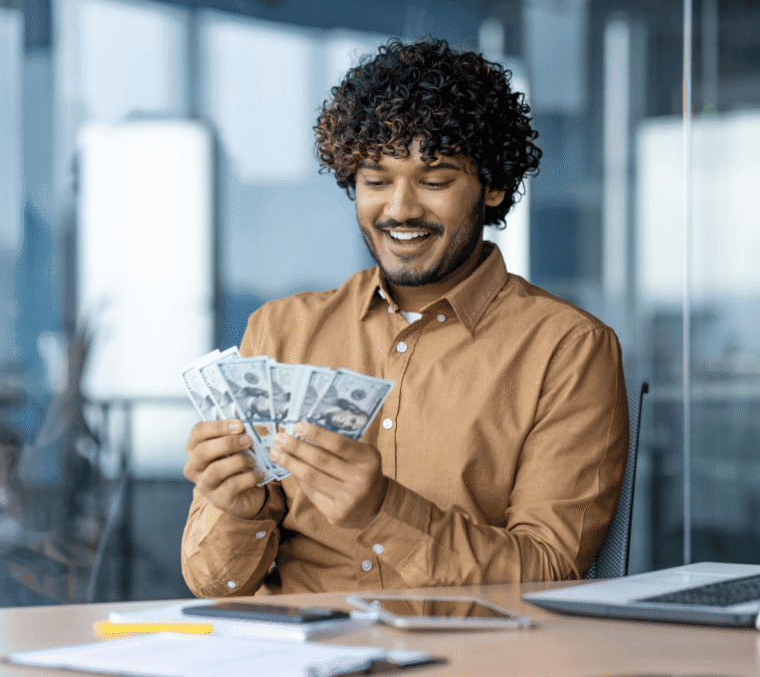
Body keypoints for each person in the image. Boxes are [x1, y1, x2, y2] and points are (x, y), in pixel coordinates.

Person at [181, 38, 629, 596]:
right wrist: (237, 510)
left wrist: (383, 511)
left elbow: (550, 573)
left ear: (493, 185)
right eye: (376, 181)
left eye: (434, 181)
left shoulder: (568, 349)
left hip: (470, 645)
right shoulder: (280, 331)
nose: (400, 210)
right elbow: (215, 584)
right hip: (296, 642)